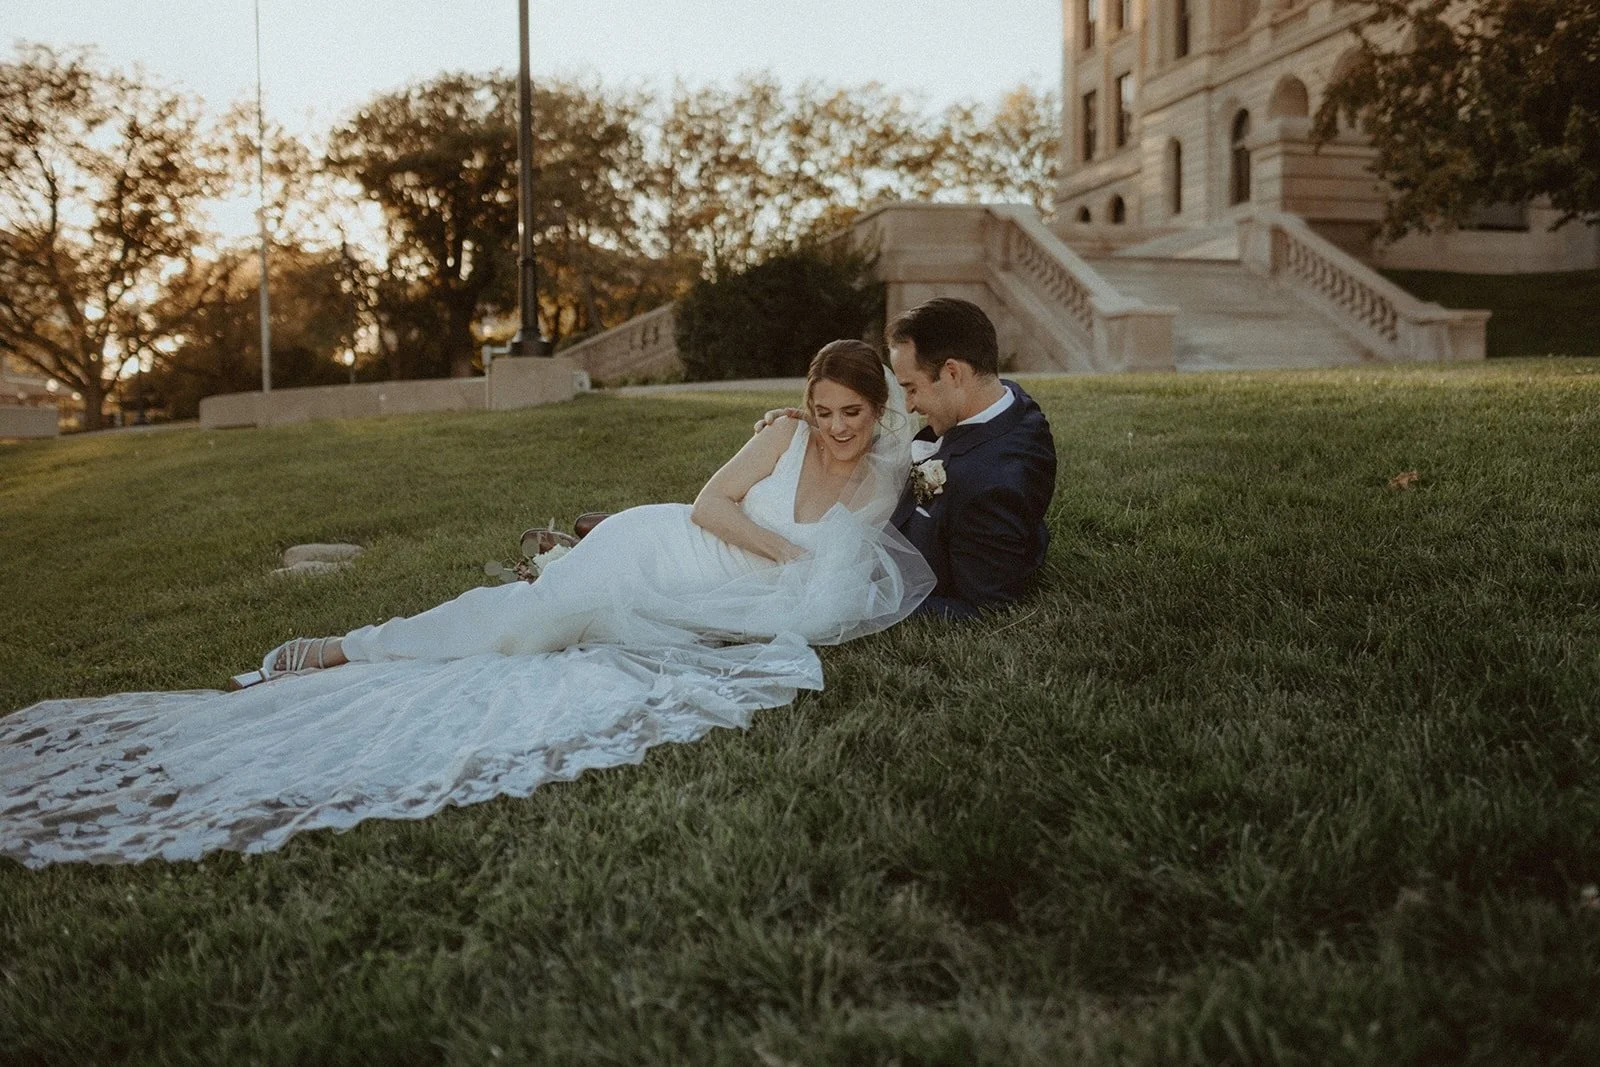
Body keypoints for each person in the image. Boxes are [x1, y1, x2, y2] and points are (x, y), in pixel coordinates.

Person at [0, 341, 933, 868]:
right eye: (822, 411)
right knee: (518, 624)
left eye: (851, 413)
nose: (837, 428)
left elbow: (838, 585)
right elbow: (706, 505)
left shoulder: (881, 480)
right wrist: (786, 549)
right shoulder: (777, 437)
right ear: (804, 406)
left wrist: (797, 566)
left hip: (700, 596)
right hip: (653, 549)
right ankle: (347, 648)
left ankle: (384, 644)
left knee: (533, 652)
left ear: (877, 411)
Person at [758, 298, 1057, 620]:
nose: (910, 406)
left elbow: (984, 606)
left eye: (911, 388)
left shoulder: (987, 485)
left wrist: (856, 595)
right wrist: (826, 427)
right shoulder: (1009, 404)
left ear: (952, 373)